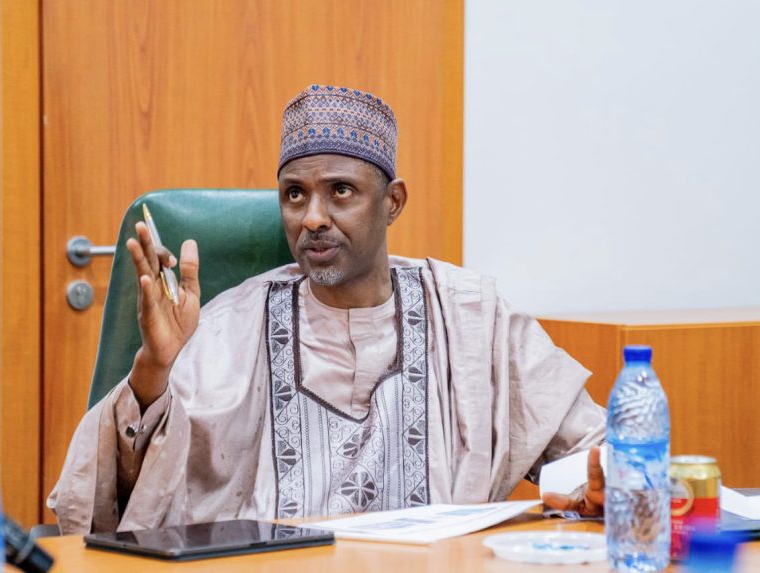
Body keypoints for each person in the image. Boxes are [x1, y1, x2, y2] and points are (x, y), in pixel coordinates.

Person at [48, 85, 606, 534]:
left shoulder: (471, 318)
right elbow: (114, 504)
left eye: (340, 191)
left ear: (392, 202)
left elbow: (595, 452)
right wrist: (154, 368)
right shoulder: (229, 327)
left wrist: (595, 486)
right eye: (295, 194)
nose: (312, 217)